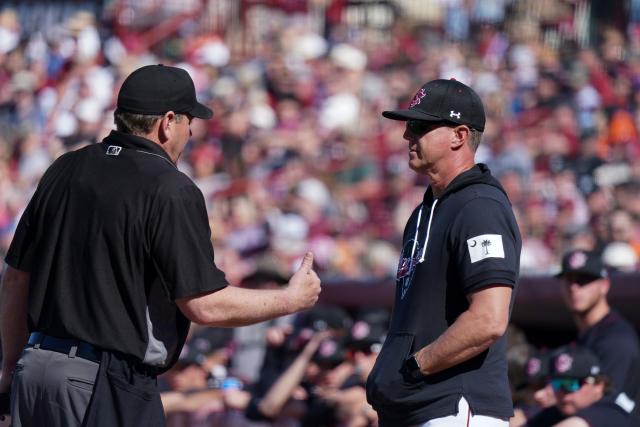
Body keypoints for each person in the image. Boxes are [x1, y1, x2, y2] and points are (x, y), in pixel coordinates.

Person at [0, 64, 321, 427]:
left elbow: (15, 278)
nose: (191, 131)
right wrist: (290, 300)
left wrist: (11, 367)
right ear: (168, 122)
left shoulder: (65, 168)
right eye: (188, 120)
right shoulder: (170, 188)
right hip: (104, 380)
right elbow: (204, 305)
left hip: (36, 367)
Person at [366, 78, 522, 426]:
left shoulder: (479, 206)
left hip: (454, 405)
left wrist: (416, 365)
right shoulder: (425, 211)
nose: (408, 136)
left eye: (420, 126)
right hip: (416, 406)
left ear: (459, 135)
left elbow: (488, 319)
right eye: (409, 125)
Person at [542, 249, 640, 427]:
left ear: (604, 285)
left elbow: (610, 409)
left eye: (583, 280)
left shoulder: (617, 340)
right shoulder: (587, 334)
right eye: (568, 280)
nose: (574, 288)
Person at [524, 345, 618, 427]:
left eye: (570, 385)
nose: (562, 393)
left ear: (598, 385)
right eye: (556, 384)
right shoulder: (557, 412)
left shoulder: (613, 411)